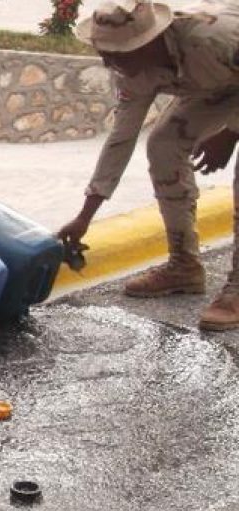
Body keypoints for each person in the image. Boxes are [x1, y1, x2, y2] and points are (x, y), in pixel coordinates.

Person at [58, 0, 239, 331]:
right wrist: (85, 216)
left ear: (148, 42)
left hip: (228, 71)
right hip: (218, 84)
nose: (106, 60)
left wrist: (230, 133)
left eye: (116, 51)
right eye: (104, 50)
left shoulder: (211, 38)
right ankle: (184, 265)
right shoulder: (131, 70)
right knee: (164, 146)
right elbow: (120, 140)